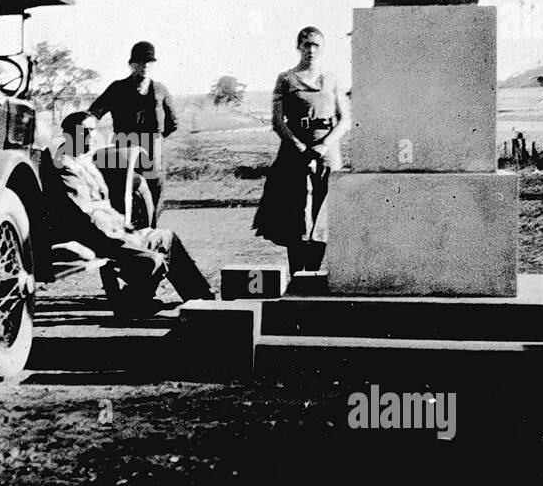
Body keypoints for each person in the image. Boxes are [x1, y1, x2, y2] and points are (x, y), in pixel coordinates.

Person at [41, 111, 213, 315]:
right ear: (69, 135)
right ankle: (131, 304)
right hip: (93, 236)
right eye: (84, 132)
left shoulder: (84, 160)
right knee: (152, 260)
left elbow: (102, 205)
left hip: (109, 229)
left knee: (167, 240)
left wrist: (125, 228)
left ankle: (203, 300)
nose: (90, 137)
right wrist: (122, 233)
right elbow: (83, 213)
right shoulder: (65, 165)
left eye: (92, 131)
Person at [252, 27, 351, 275]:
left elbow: (345, 120)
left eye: (316, 45)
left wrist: (324, 145)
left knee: (323, 214)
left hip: (327, 153)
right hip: (295, 153)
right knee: (296, 215)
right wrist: (301, 148)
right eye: (306, 44)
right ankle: (297, 276)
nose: (311, 50)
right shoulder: (286, 79)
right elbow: (278, 122)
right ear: (298, 47)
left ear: (323, 49)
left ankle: (315, 275)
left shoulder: (331, 79)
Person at [88, 41, 178, 223]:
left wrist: (155, 140)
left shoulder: (160, 90)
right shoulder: (117, 88)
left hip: (154, 151)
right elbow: (94, 113)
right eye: (140, 62)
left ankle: (151, 234)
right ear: (131, 64)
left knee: (154, 195)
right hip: (125, 150)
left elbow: (173, 123)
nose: (145, 66)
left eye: (149, 62)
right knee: (124, 196)